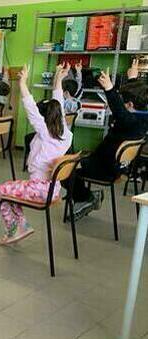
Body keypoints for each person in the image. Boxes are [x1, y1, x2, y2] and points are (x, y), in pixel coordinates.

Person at [0, 64, 73, 244]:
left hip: (39, 190)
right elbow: (58, 104)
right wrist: (58, 79)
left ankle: (15, 229)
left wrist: (22, 83)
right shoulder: (66, 134)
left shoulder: (45, 134)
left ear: (44, 119)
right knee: (11, 192)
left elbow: (31, 108)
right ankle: (21, 225)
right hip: (53, 189)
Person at [66, 59, 148, 220]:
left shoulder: (130, 121)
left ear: (129, 104)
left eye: (123, 102)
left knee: (64, 171)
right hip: (113, 165)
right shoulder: (142, 117)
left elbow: (121, 113)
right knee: (73, 160)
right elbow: (135, 97)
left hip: (104, 168)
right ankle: (87, 196)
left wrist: (110, 90)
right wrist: (133, 79)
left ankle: (85, 198)